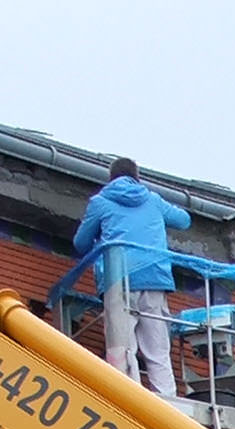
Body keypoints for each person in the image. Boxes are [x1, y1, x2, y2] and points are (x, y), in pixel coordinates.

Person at [73, 156, 189, 398]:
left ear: (111, 177)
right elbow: (184, 220)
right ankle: (167, 398)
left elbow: (80, 243)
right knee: (157, 349)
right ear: (137, 177)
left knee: (123, 347)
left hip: (119, 281)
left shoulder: (101, 202)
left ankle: (129, 397)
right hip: (155, 279)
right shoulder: (153, 200)